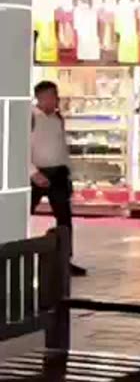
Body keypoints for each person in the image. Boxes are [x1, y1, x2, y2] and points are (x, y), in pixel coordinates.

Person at [30, 81, 87, 277]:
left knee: (64, 219)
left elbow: (61, 147)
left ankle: (65, 260)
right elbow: (18, 147)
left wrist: (68, 171)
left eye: (56, 96)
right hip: (36, 173)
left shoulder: (57, 118)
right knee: (23, 213)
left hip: (58, 173)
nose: (55, 100)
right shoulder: (30, 117)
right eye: (52, 96)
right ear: (40, 97)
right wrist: (32, 172)